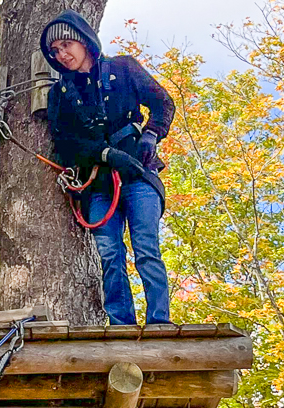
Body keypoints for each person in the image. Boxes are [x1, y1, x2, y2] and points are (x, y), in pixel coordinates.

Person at [41, 10, 175, 326]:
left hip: (140, 173)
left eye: (65, 44)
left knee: (146, 246)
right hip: (98, 182)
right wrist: (104, 155)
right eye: (55, 51)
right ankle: (120, 322)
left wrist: (152, 134)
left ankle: (159, 320)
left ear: (83, 40)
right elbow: (66, 143)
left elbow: (163, 102)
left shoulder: (123, 68)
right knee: (110, 255)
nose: (62, 54)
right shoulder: (60, 94)